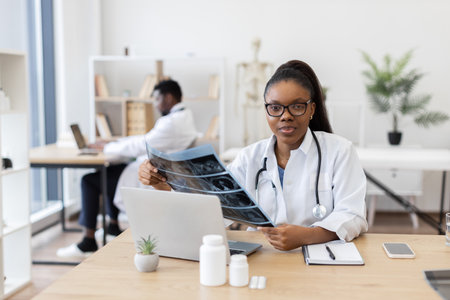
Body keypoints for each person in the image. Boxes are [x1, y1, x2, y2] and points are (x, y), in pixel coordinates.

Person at [137, 60, 368, 251]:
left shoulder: (340, 151)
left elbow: (353, 215)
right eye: (275, 108)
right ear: (267, 110)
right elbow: (212, 210)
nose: (285, 116)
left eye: (297, 106)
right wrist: (162, 185)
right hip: (265, 262)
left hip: (323, 262)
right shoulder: (250, 158)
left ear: (311, 109)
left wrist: (308, 235)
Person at [57, 79, 199, 257]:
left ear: (168, 98)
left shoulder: (172, 123)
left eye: (156, 99)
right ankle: (113, 227)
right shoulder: (185, 116)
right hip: (160, 171)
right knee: (112, 171)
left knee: (89, 181)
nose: (155, 105)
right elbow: (145, 139)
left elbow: (141, 145)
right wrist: (112, 143)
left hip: (155, 177)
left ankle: (88, 241)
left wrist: (106, 147)